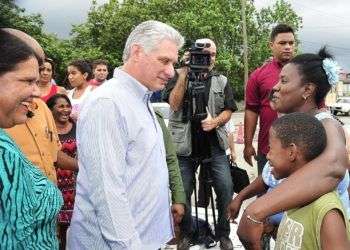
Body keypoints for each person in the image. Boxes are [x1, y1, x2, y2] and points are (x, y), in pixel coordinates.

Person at [67, 20, 184, 249]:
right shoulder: (108, 103)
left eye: (173, 63)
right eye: (164, 60)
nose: (171, 71)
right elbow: (107, 195)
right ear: (137, 52)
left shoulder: (140, 99)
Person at [236, 48, 349, 249]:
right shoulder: (294, 125)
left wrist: (256, 211)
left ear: (307, 90)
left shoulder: (326, 125)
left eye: (284, 81)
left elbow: (333, 166)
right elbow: (270, 177)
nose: (275, 87)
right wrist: (241, 197)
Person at [163, 38, 237, 250]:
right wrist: (184, 75)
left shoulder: (221, 80)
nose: (206, 59)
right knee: (183, 191)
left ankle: (223, 234)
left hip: (214, 146)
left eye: (211, 55)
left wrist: (215, 121)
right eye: (202, 55)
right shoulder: (177, 76)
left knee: (225, 188)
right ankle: (187, 233)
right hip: (184, 148)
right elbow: (174, 104)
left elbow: (229, 109)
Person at [0, 29, 62, 249]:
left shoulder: (42, 109)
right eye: (27, 80)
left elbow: (54, 152)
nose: (36, 91)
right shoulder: (3, 152)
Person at [270, 113, 350, 249]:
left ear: (291, 152)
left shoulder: (327, 212)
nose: (267, 155)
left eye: (270, 148)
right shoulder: (294, 197)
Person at [244, 24, 295, 173]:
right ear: (271, 45)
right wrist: (248, 144)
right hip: (268, 151)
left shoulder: (305, 73)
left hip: (301, 151)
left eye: (291, 43)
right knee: (267, 193)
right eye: (282, 43)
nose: (287, 47)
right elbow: (251, 111)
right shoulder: (258, 75)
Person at [47, 94, 78, 250]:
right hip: (55, 187)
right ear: (50, 110)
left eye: (67, 106)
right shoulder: (46, 131)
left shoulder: (79, 127)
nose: (65, 110)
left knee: (72, 231)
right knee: (55, 232)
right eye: (61, 106)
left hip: (76, 190)